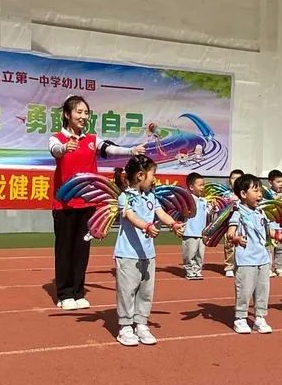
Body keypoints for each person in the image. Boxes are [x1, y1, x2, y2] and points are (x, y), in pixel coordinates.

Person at [49, 95, 145, 311]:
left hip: (88, 203)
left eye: (86, 113)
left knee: (82, 249)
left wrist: (131, 151)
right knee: (65, 249)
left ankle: (78, 291)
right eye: (79, 112)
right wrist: (65, 148)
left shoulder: (92, 139)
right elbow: (55, 150)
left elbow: (109, 150)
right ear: (67, 114)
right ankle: (64, 293)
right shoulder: (57, 138)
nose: (83, 116)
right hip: (64, 204)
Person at [113, 155, 184, 346]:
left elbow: (160, 213)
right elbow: (130, 216)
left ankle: (141, 322)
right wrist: (146, 226)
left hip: (148, 254)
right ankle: (126, 326)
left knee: (146, 291)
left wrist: (174, 223)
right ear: (140, 176)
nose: (155, 178)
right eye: (153, 174)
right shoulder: (125, 197)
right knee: (127, 291)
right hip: (128, 254)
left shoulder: (151, 196)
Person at [228, 173, 274, 334]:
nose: (260, 194)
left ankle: (260, 317)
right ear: (243, 194)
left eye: (260, 190)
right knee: (244, 290)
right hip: (246, 259)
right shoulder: (238, 213)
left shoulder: (261, 212)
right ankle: (240, 318)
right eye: (255, 190)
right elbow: (230, 233)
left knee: (263, 290)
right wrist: (236, 238)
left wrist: (278, 235)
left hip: (263, 258)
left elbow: (268, 231)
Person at [182, 172, 208, 279]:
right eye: (200, 185)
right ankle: (189, 270)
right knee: (189, 253)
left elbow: (208, 213)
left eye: (203, 185)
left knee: (200, 254)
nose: (202, 187)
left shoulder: (204, 200)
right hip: (189, 232)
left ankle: (197, 270)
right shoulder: (187, 200)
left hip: (201, 233)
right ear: (191, 187)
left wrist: (214, 208)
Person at [266, 169, 282, 277]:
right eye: (278, 182)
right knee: (269, 248)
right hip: (271, 226)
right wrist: (275, 199)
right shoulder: (266, 195)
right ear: (270, 182)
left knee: (281, 248)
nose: (281, 184)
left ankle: (279, 267)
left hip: (281, 226)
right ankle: (268, 268)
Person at [223, 168, 243, 277]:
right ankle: (229, 266)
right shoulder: (226, 194)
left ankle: (241, 265)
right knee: (229, 244)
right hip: (230, 222)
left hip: (244, 223)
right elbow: (220, 207)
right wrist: (229, 201)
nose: (235, 181)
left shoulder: (245, 193)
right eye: (233, 178)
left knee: (243, 243)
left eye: (238, 179)